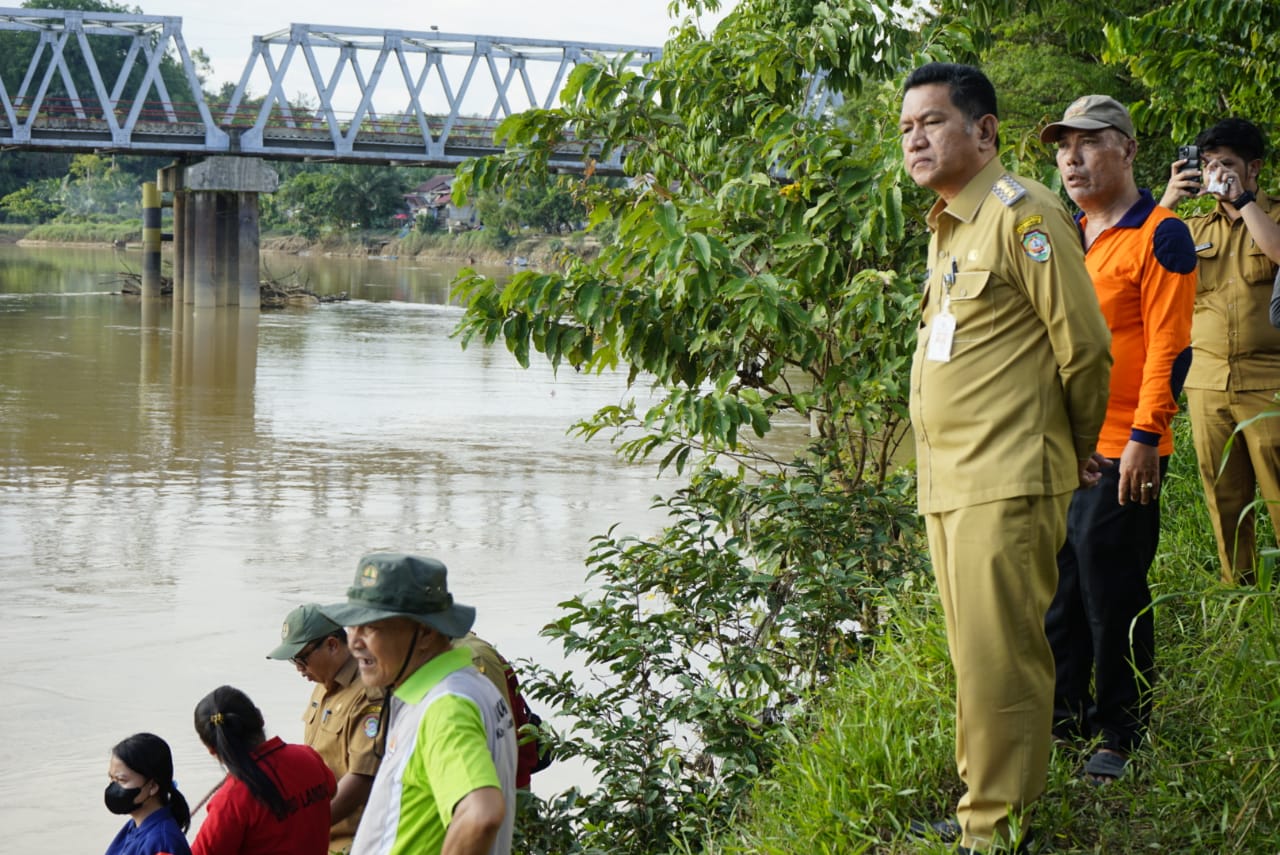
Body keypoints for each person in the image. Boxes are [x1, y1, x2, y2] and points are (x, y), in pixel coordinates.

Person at [898, 63, 1112, 853]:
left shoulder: (1025, 214)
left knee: (1005, 664)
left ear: (984, 131)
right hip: (950, 482)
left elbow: (1085, 348)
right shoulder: (951, 226)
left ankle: (994, 830)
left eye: (933, 122)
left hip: (1006, 476)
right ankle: (982, 805)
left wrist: (1074, 446)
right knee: (975, 660)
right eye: (907, 128)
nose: (916, 139)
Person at [1040, 95, 1197, 783]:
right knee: (1062, 592)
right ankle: (1064, 718)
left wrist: (1145, 436)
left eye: (1089, 143)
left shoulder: (1160, 233)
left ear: (1128, 149)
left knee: (1115, 593)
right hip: (1066, 447)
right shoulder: (1068, 231)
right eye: (1062, 148)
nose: (1071, 158)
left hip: (1124, 446)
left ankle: (1121, 730)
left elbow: (1172, 346)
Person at [320, 552, 517, 855]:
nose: (354, 642)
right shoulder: (469, 685)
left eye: (370, 627)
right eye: (352, 626)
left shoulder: (445, 706)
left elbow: (481, 814)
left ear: (425, 632)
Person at [1160, 118, 1280, 585]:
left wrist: (1244, 202)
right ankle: (1241, 588)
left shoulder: (1270, 214)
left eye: (1227, 165)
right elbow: (1139, 257)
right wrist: (1170, 198)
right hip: (1208, 383)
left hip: (1269, 380)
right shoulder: (1186, 226)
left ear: (1254, 169)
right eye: (1209, 165)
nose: (1217, 175)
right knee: (1224, 495)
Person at [266, 604, 383, 854]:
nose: (299, 668)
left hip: (354, 841)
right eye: (293, 661)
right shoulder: (323, 685)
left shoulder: (369, 694)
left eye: (302, 658)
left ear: (332, 644)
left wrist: (309, 825)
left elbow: (363, 778)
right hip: (320, 836)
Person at [191, 685, 336, 855]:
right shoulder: (308, 757)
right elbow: (332, 790)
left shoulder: (231, 801)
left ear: (211, 750)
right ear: (260, 718)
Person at [104, 732, 193, 855]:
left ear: (152, 786)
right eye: (112, 779)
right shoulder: (135, 826)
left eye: (121, 780)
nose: (114, 787)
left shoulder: (162, 843)